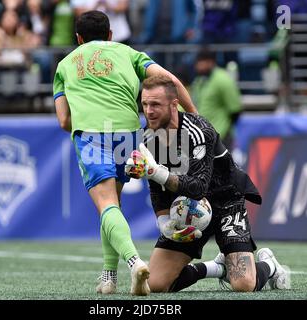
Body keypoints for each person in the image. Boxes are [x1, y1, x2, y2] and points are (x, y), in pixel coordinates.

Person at [53, 11, 198, 295]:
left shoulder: (64, 65)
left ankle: (133, 263)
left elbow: (63, 121)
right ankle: (109, 278)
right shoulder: (130, 53)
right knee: (113, 206)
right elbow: (170, 81)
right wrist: (193, 115)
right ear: (110, 35)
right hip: (128, 135)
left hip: (92, 134)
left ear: (78, 39)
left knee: (106, 205)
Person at [125, 75, 291, 292]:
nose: (148, 111)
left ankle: (269, 266)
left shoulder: (198, 130)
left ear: (174, 105)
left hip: (226, 201)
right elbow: (158, 190)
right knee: (155, 284)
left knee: (243, 285)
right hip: (189, 209)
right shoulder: (149, 138)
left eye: (155, 104)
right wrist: (164, 222)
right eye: (145, 104)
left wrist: (155, 171)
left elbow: (198, 187)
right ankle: (217, 268)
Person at [190, 48, 242, 150]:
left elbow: (235, 109)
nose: (197, 66)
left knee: (222, 166)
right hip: (202, 137)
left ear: (210, 62)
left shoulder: (223, 79)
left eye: (200, 62)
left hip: (221, 136)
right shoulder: (199, 80)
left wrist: (224, 130)